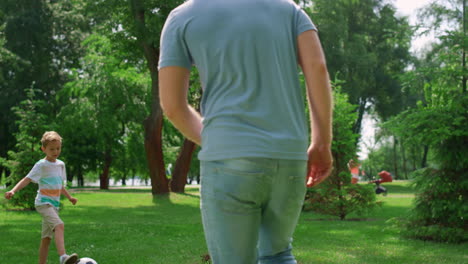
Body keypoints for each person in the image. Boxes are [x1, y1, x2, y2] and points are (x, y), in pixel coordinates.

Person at [158, 0, 333, 263]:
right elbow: (317, 68)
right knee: (278, 254)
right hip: (289, 157)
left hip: (227, 161)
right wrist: (321, 142)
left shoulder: (182, 17)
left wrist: (220, 141)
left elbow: (172, 106)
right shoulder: (290, 10)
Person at [4, 131, 79, 264]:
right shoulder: (41, 165)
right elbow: (27, 179)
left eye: (58, 148)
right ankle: (63, 257)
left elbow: (59, 185)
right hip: (43, 203)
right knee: (59, 225)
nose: (55, 151)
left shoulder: (61, 165)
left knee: (46, 239)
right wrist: (13, 190)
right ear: (43, 149)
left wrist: (70, 197)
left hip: (54, 205)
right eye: (51, 149)